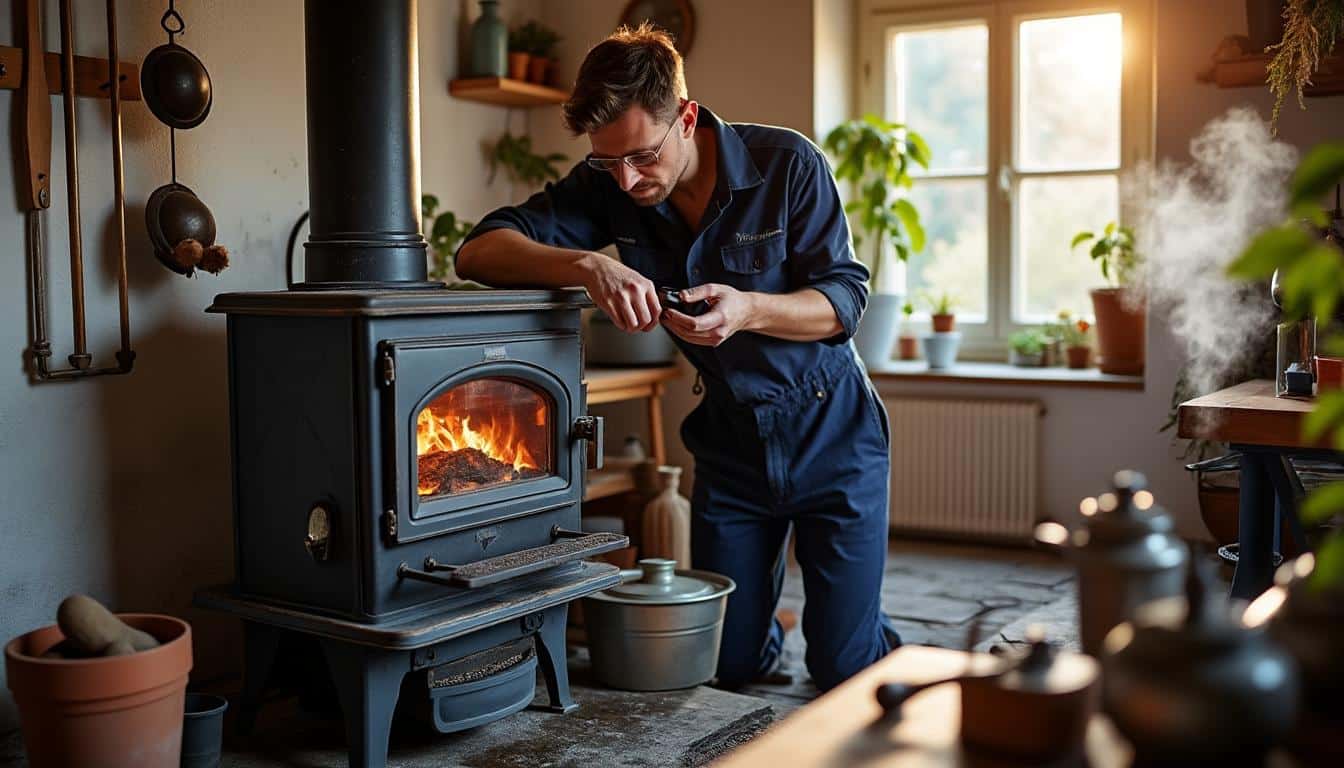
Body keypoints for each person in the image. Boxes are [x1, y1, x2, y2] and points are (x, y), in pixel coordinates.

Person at [456, 23, 898, 691]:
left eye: (643, 155)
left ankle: (864, 631)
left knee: (845, 667)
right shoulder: (610, 178)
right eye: (609, 162)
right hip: (731, 446)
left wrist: (750, 309)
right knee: (730, 665)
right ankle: (764, 625)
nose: (629, 179)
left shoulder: (788, 164)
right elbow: (479, 251)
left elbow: (844, 302)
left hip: (832, 431)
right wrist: (585, 265)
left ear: (686, 118)